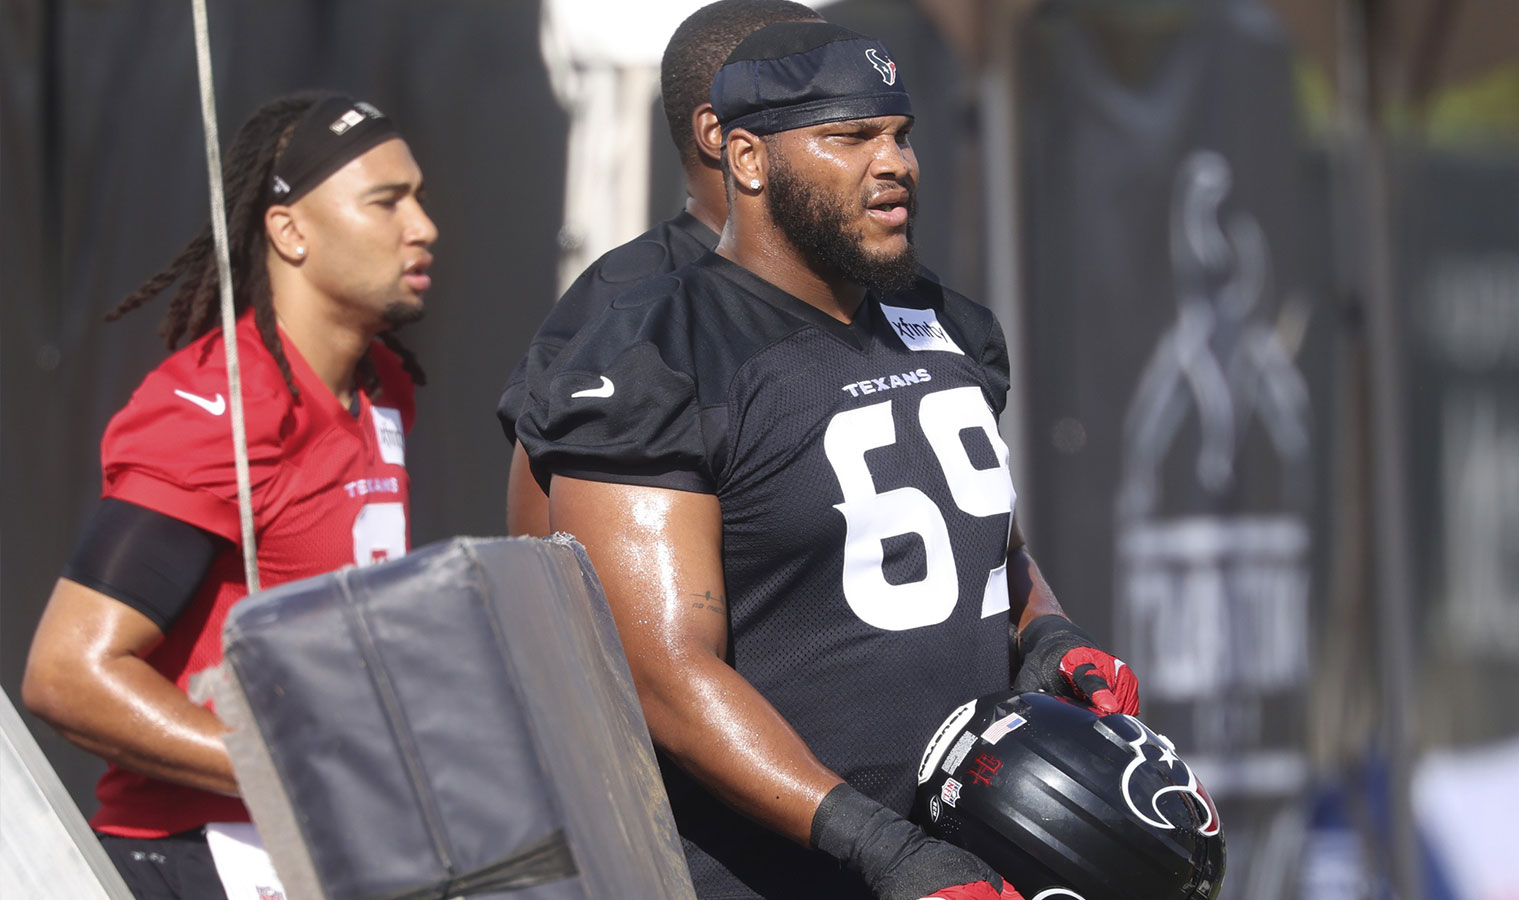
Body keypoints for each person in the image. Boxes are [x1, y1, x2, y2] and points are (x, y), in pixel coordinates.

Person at [516, 22, 1139, 900]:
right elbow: (660, 673)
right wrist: (878, 846)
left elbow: (990, 548)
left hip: (965, 864)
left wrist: (1049, 632)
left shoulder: (948, 323)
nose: (894, 163)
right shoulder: (660, 351)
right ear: (748, 159)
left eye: (901, 134)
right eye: (849, 136)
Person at [22, 92, 436, 900]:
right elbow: (67, 672)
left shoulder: (381, 386)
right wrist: (301, 773)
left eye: (418, 196)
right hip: (199, 856)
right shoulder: (219, 408)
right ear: (291, 231)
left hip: (333, 851)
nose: (422, 226)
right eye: (386, 202)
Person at [498, 0, 821, 537]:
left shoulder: (883, 282)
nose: (857, 106)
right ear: (722, 137)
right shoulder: (626, 307)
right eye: (820, 93)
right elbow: (547, 571)